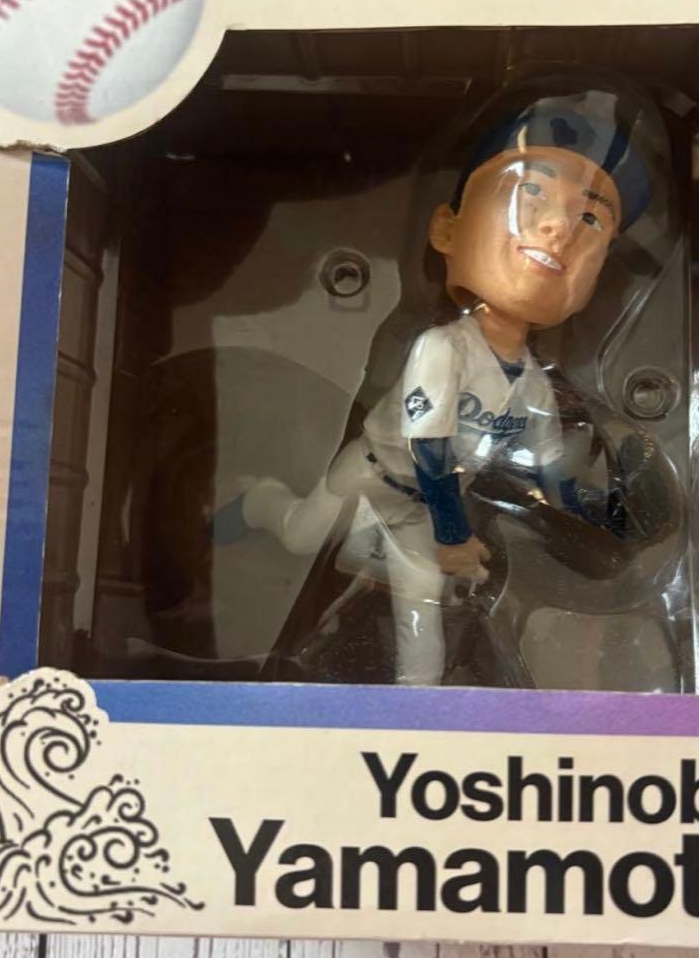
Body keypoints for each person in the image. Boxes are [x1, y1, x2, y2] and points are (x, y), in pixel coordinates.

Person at [225, 95, 652, 685]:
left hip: (423, 513)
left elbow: (549, 471)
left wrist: (602, 517)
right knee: (300, 535)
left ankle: (418, 707)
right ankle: (256, 499)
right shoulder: (443, 347)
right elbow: (429, 451)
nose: (558, 227)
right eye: (531, 192)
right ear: (447, 230)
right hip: (373, 474)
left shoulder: (532, 382)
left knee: (421, 603)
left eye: (590, 220)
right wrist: (455, 536)